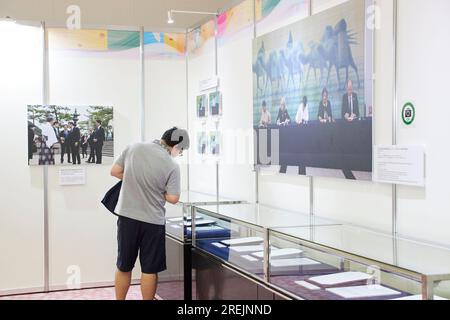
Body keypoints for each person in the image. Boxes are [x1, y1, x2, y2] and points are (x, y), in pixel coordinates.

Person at [110, 127, 190, 300]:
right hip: (153, 221)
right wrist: (156, 190)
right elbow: (173, 198)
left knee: (124, 265)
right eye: (181, 150)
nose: (179, 154)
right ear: (176, 146)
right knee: (149, 268)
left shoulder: (134, 147)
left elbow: (114, 171)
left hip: (127, 217)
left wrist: (134, 180)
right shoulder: (172, 165)